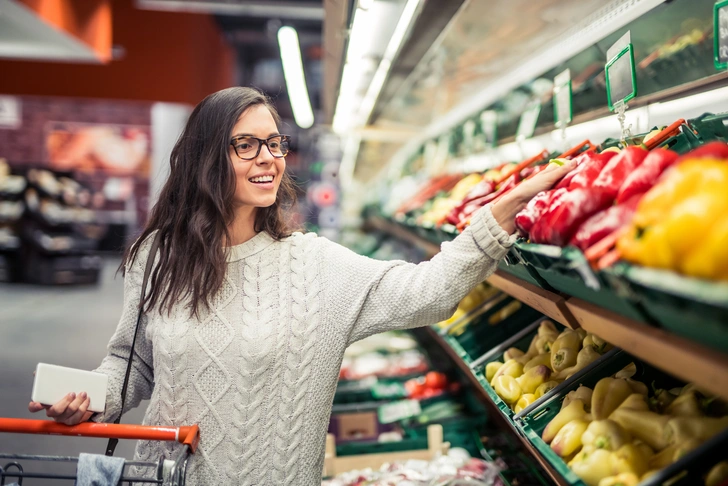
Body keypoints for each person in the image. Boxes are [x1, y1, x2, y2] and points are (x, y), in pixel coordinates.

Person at [28, 87, 575, 485]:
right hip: (164, 478)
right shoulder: (158, 256)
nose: (268, 158)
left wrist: (497, 217)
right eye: (246, 145)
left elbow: (427, 293)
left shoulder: (314, 265)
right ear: (204, 159)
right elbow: (135, 365)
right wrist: (90, 400)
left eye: (274, 143)